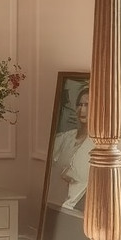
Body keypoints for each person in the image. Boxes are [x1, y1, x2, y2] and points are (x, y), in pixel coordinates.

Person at [48, 84, 91, 212]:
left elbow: (81, 177)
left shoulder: (97, 144)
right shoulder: (65, 137)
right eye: (79, 104)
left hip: (75, 205)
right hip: (54, 201)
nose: (81, 109)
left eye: (87, 105)